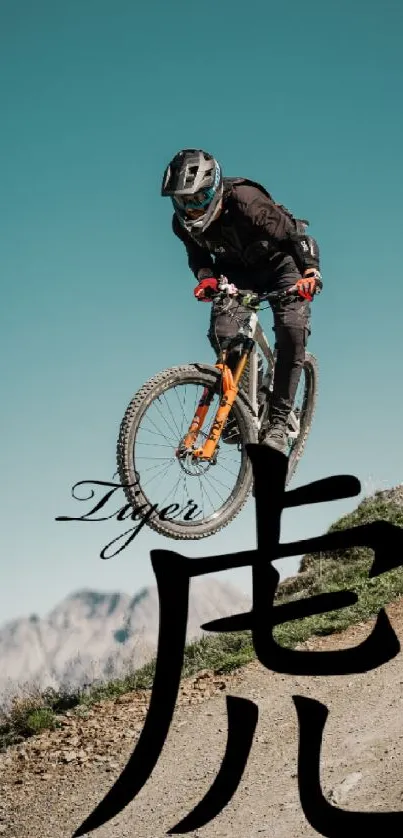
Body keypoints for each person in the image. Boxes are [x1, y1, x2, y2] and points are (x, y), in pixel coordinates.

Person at [161, 148, 322, 454]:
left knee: (291, 328)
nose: (191, 209)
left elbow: (296, 237)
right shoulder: (180, 224)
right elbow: (198, 256)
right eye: (183, 201)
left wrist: (311, 272)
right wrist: (205, 278)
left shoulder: (248, 202)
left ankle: (278, 420)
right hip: (237, 272)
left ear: (214, 188)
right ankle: (246, 408)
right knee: (224, 334)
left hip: (281, 266)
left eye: (197, 199)